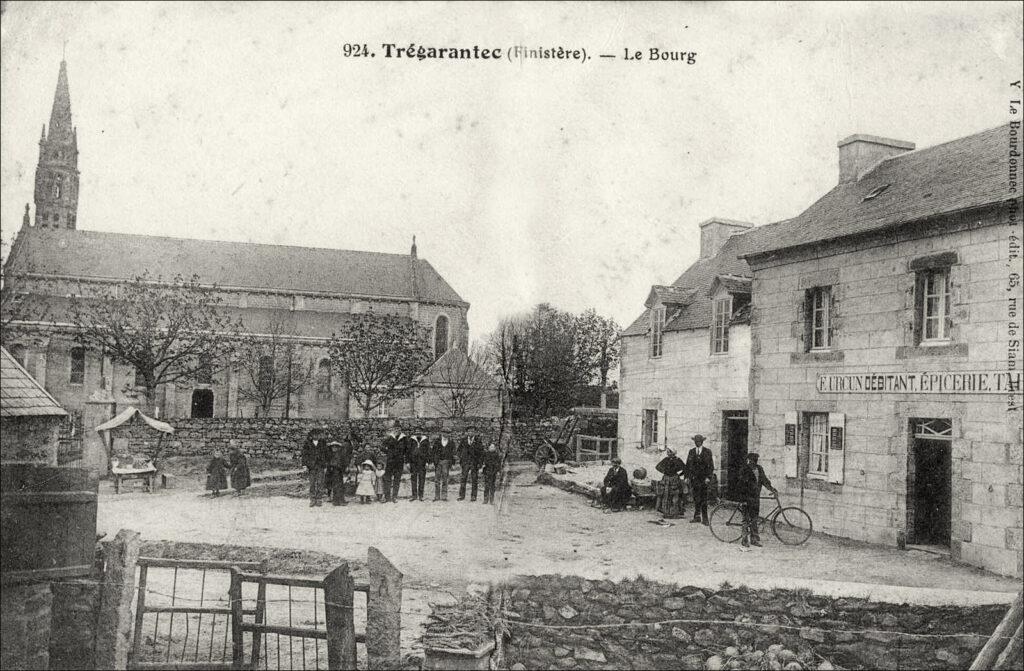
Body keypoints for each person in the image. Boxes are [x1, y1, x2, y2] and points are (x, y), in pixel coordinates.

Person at [738, 452, 777, 548]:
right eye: (751, 461)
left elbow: (764, 481)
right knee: (746, 520)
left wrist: (772, 489)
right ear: (749, 460)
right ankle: (744, 540)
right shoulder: (744, 470)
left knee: (754, 519)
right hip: (747, 498)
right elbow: (741, 485)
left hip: (755, 498)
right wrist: (743, 499)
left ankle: (754, 539)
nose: (753, 462)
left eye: (755, 461)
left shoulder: (759, 469)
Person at [686, 434, 716, 525]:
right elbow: (688, 465)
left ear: (702, 442)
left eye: (698, 441)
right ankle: (697, 516)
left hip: (704, 479)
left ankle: (705, 518)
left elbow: (711, 466)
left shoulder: (707, 452)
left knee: (703, 499)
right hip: (694, 479)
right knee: (696, 498)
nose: (697, 443)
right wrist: (687, 477)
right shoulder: (691, 452)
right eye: (695, 441)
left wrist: (708, 477)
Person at [655, 447, 688, 519]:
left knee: (675, 496)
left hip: (675, 480)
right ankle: (666, 513)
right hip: (666, 479)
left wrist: (679, 474)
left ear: (672, 453)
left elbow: (685, 469)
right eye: (667, 452)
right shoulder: (666, 459)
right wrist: (664, 472)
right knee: (666, 496)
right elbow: (657, 467)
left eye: (669, 452)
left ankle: (674, 513)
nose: (667, 453)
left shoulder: (678, 460)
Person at [301, 428, 330, 507]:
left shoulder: (323, 443)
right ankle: (312, 499)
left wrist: (326, 465)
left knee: (320, 483)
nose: (316, 436)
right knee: (312, 483)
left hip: (321, 466)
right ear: (311, 435)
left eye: (317, 434)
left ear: (319, 435)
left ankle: (319, 499)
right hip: (311, 467)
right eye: (314, 434)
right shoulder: (307, 444)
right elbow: (304, 455)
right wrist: (304, 465)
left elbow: (327, 455)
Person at [381, 422, 409, 503]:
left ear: (401, 429)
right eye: (395, 428)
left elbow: (407, 450)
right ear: (393, 429)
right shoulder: (389, 437)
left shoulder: (404, 438)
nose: (397, 430)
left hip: (399, 462)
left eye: (398, 428)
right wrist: (388, 452)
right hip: (390, 461)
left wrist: (403, 455)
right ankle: (387, 497)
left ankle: (394, 497)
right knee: (388, 479)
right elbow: (382, 447)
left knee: (397, 479)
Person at [327, 432, 354, 506]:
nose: (334, 448)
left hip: (339, 472)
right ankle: (336, 501)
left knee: (340, 486)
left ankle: (340, 500)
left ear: (338, 447)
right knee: (336, 487)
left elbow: (344, 462)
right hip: (333, 472)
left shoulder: (340, 455)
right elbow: (330, 464)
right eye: (333, 447)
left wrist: (346, 467)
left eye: (336, 447)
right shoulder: (330, 455)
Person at [457, 430, 485, 501]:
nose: (470, 433)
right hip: (465, 463)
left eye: (472, 431)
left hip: (474, 463)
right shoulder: (464, 440)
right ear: (467, 432)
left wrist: (480, 463)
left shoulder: (478, 441)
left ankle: (473, 496)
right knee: (463, 479)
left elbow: (481, 453)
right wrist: (461, 458)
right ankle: (462, 496)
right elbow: (459, 450)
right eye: (469, 431)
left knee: (474, 479)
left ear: (475, 432)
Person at [431, 431, 456, 501]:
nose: (446, 434)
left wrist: (453, 464)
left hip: (446, 462)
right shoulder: (437, 441)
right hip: (438, 462)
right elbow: (433, 452)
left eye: (447, 433)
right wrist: (433, 462)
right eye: (444, 432)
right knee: (437, 480)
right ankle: (437, 496)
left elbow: (453, 454)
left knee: (445, 479)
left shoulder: (451, 442)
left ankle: (444, 496)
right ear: (442, 433)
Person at [407, 432, 431, 501]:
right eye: (417, 432)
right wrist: (408, 462)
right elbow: (408, 451)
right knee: (413, 479)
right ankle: (414, 496)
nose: (418, 434)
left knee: (422, 479)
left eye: (419, 432)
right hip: (413, 463)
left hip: (422, 463)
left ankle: (421, 496)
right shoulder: (411, 440)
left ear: (421, 433)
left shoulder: (426, 440)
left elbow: (428, 451)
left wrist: (427, 462)